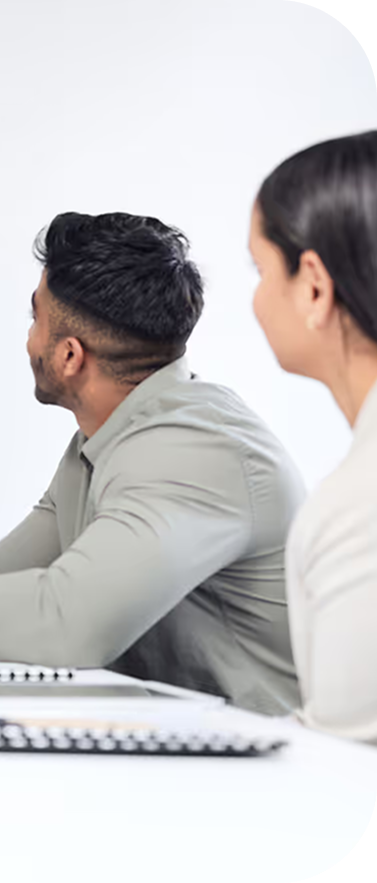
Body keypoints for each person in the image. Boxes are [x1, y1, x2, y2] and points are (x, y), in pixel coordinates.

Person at [0, 211, 306, 715]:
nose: (27, 340)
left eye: (35, 319)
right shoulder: (109, 437)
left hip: (277, 765)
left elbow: (68, 622)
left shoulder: (198, 451)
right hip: (178, 742)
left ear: (70, 356)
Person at [249, 131, 377, 743]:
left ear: (315, 286)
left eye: (260, 269)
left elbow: (344, 762)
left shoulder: (358, 512)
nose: (254, 298)